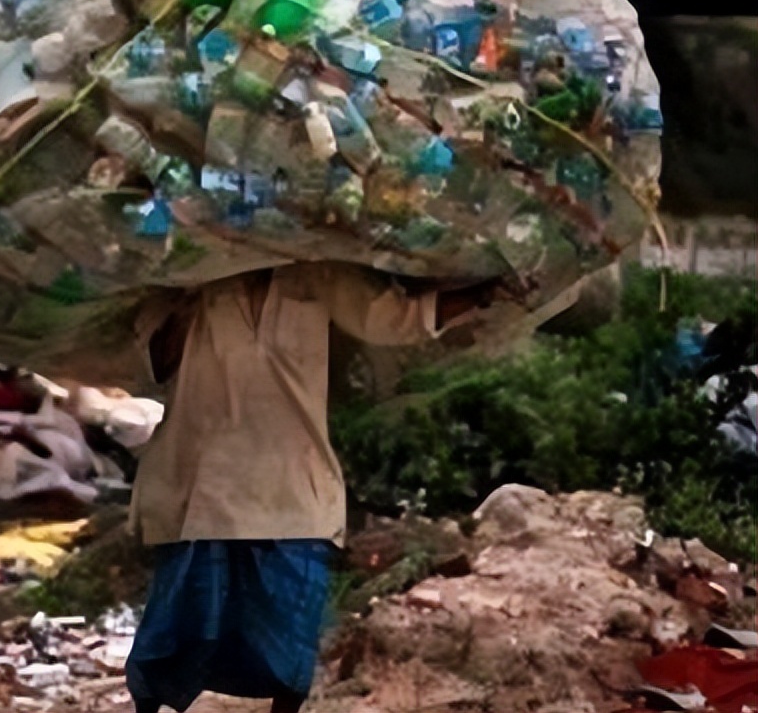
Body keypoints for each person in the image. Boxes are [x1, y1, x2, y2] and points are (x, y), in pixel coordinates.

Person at [125, 262, 502, 713]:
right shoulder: (187, 286)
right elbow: (155, 360)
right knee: (174, 634)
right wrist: (191, 295)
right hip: (200, 484)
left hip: (291, 485)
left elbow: (393, 316)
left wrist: (482, 291)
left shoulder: (315, 278)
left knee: (290, 640)